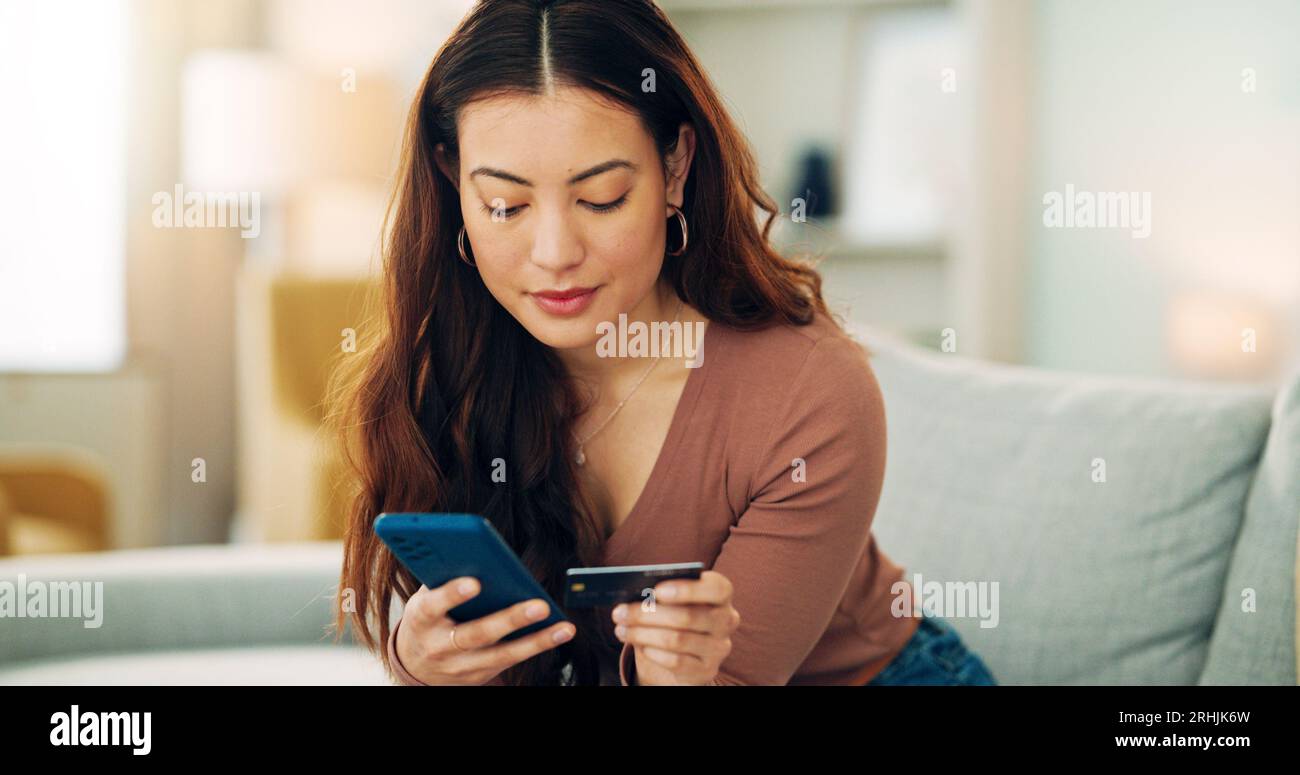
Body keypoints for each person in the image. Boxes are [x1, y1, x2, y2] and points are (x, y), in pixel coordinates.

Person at [332, 0, 996, 687]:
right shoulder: (451, 370)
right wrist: (419, 660)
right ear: (451, 182)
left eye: (603, 197)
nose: (555, 253)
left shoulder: (808, 392)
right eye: (507, 205)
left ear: (675, 167)